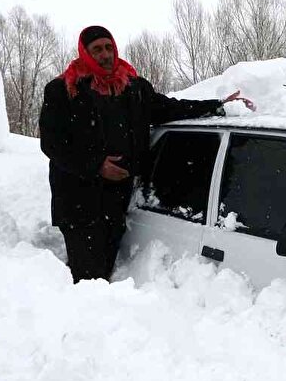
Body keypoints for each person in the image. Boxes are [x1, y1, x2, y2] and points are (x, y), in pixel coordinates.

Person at [40, 25, 254, 283]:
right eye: (97, 49)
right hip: (79, 199)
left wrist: (218, 107)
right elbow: (52, 144)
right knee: (89, 278)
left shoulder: (133, 87)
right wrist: (96, 165)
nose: (105, 54)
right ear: (85, 53)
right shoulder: (64, 90)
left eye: (109, 47)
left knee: (104, 269)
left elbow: (168, 109)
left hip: (118, 197)